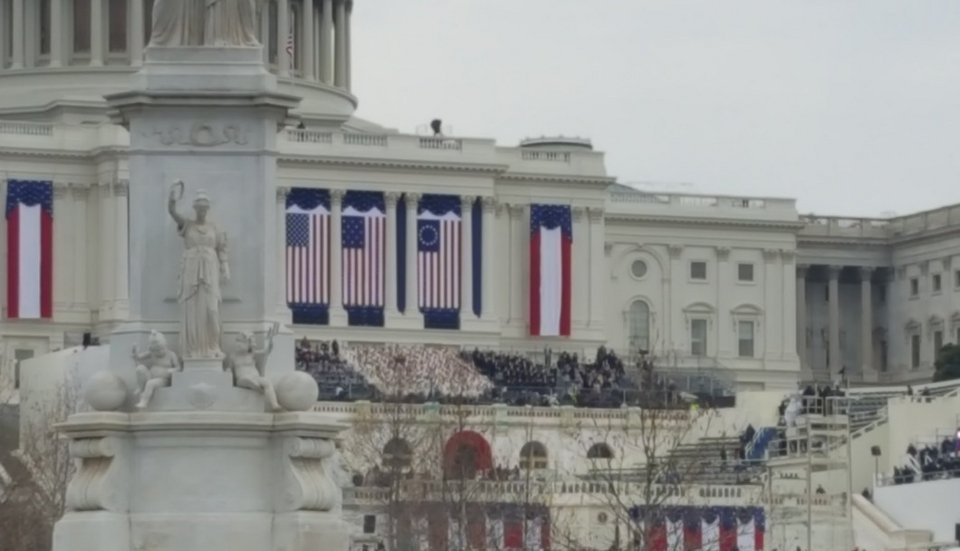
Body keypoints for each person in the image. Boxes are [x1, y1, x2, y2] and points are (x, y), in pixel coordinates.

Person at [168, 182, 230, 359]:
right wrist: (171, 201)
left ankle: (213, 345)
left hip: (210, 268)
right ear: (195, 208)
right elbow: (173, 213)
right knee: (192, 308)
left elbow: (222, 247)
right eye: (199, 208)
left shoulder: (214, 228)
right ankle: (193, 348)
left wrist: (225, 266)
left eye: (204, 208)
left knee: (212, 309)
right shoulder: (187, 225)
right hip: (191, 267)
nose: (201, 211)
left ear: (207, 209)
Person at [133, 330, 181, 409]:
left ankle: (144, 401)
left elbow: (178, 368)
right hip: (150, 375)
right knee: (140, 368)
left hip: (163, 379)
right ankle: (140, 387)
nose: (159, 352)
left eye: (162, 349)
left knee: (150, 383)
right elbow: (138, 357)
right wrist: (135, 352)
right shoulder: (151, 353)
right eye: (157, 351)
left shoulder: (171, 354)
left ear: (165, 346)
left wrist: (172, 370)